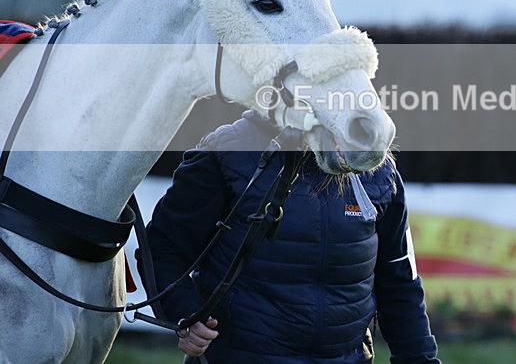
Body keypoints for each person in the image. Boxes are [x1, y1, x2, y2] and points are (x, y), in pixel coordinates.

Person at [144, 110, 440, 363]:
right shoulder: (226, 154)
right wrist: (187, 314)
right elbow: (163, 248)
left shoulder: (377, 168)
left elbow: (400, 282)